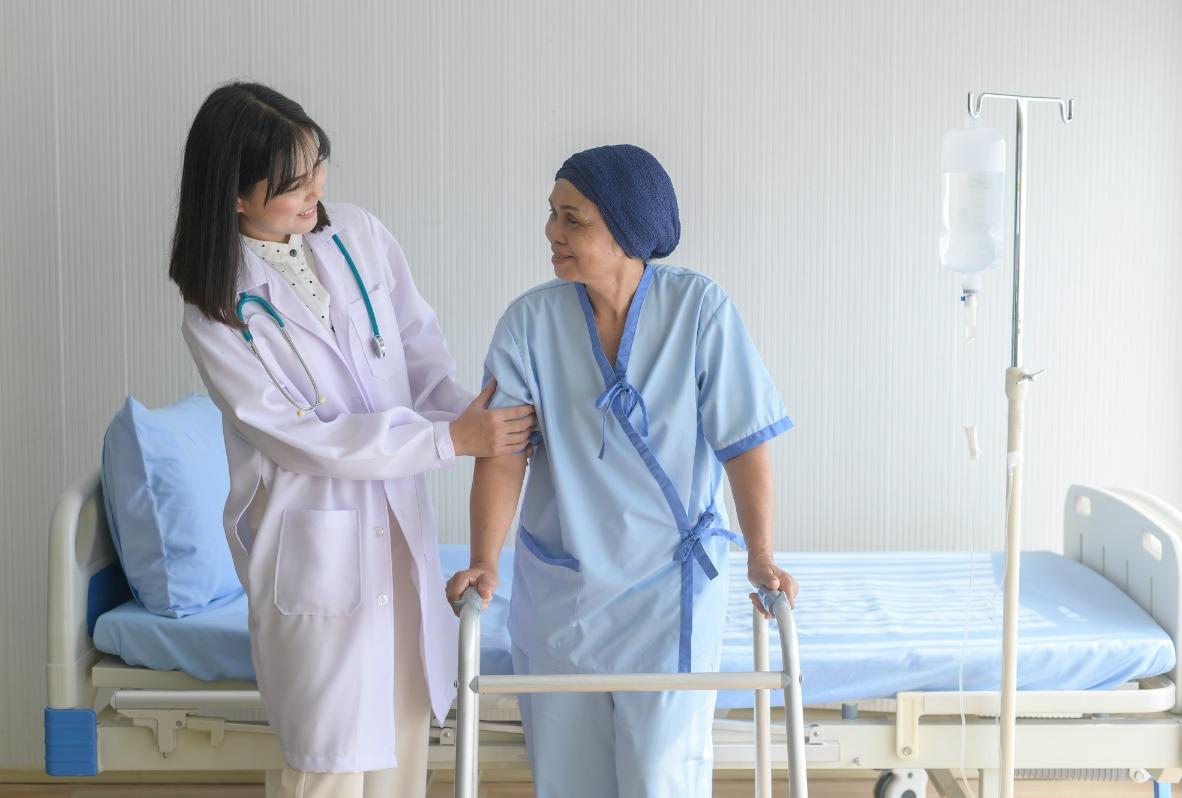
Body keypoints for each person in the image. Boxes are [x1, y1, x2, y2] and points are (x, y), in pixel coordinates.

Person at [170, 82, 535, 798]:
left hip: (399, 545)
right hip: (316, 562)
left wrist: (477, 422)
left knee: (401, 762)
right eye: (291, 183)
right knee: (328, 773)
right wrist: (446, 443)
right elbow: (301, 440)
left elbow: (420, 359)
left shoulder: (359, 234)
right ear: (235, 196)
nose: (315, 193)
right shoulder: (215, 309)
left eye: (317, 167)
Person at [446, 144, 797, 797]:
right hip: (565, 593)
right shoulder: (529, 323)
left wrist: (761, 554)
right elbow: (504, 452)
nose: (553, 232)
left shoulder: (700, 312)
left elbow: (744, 443)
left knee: (659, 777)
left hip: (670, 597)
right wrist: (485, 561)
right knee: (568, 779)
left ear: (627, 228)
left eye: (572, 219)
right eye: (552, 215)